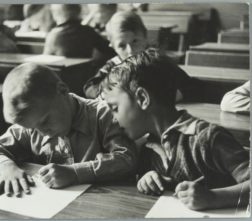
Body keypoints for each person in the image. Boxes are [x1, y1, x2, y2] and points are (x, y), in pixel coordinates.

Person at [101, 48, 250, 211]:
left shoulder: (208, 138)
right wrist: (150, 180)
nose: (113, 119)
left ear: (143, 98)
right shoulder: (148, 148)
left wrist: (214, 198)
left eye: (115, 108)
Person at [0, 63, 137, 197]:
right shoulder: (33, 124)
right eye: (33, 128)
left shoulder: (104, 115)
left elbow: (126, 159)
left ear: (62, 90)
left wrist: (75, 173)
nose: (42, 132)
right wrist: (6, 167)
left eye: (45, 120)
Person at [83, 11, 204, 102]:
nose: (130, 51)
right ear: (112, 46)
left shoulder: (157, 60)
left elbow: (190, 85)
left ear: (145, 38)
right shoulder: (113, 64)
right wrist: (106, 91)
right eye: (122, 46)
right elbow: (90, 88)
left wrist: (174, 94)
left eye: (135, 41)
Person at [43, 4, 114, 58]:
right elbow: (109, 50)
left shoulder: (53, 34)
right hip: (85, 74)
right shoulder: (88, 31)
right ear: (79, 12)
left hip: (60, 75)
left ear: (56, 14)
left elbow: (46, 60)